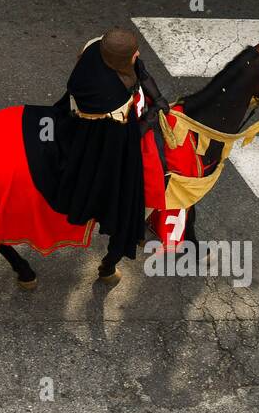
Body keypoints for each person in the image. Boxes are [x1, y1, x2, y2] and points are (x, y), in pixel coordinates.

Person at [26, 27, 169, 282]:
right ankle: (125, 230)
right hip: (103, 138)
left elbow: (140, 71)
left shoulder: (99, 49)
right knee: (131, 191)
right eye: (134, 53)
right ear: (119, 61)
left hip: (115, 124)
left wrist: (158, 97)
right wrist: (152, 114)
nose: (138, 54)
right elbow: (128, 136)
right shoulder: (106, 98)